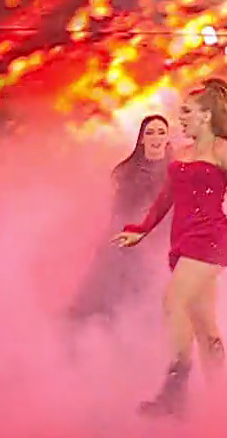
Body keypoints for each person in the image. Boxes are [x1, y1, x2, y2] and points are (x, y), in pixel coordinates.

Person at [113, 79, 227, 416]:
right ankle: (221, 400)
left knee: (173, 300)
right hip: (183, 240)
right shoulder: (182, 154)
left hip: (211, 240)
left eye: (186, 112)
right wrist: (141, 229)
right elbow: (166, 198)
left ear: (206, 116)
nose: (180, 119)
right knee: (205, 326)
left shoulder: (226, 152)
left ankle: (175, 391)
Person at [66, 115, 172, 327]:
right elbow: (119, 212)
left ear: (168, 138)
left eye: (161, 132)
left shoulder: (178, 171)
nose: (156, 138)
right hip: (128, 243)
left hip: (163, 244)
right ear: (141, 139)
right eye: (150, 133)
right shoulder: (127, 172)